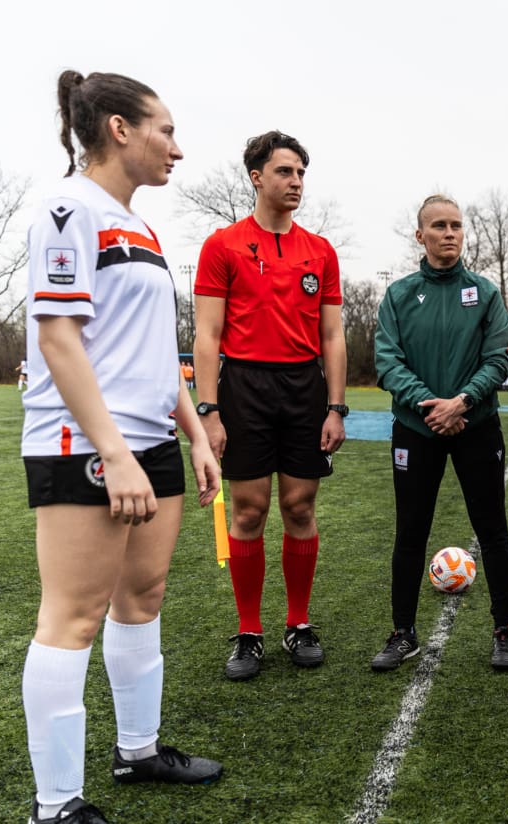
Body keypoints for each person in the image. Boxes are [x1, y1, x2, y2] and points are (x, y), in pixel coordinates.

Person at [21, 70, 223, 824]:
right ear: (118, 128)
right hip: (86, 446)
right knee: (72, 616)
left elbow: (152, 348)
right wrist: (113, 452)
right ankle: (55, 805)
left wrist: (196, 437)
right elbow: (58, 339)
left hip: (151, 445)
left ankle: (137, 751)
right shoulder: (68, 208)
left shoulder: (137, 224)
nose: (176, 145)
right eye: (164, 129)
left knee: (142, 599)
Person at [193, 131, 347, 681]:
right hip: (244, 389)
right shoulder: (223, 246)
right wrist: (208, 411)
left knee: (300, 508)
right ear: (257, 177)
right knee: (250, 511)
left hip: (304, 389)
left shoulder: (321, 251)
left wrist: (336, 406)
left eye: (301, 172)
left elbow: (333, 336)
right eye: (285, 171)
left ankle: (298, 623)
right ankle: (250, 631)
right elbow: (207, 335)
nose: (296, 182)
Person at [371, 194, 508, 672]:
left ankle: (503, 631)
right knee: (410, 532)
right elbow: (388, 361)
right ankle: (402, 633)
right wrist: (428, 404)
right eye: (439, 226)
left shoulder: (486, 293)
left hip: (476, 425)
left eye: (456, 225)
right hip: (417, 428)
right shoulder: (398, 295)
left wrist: (462, 402)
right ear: (421, 236)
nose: (449, 233)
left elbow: (498, 358)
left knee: (492, 528)